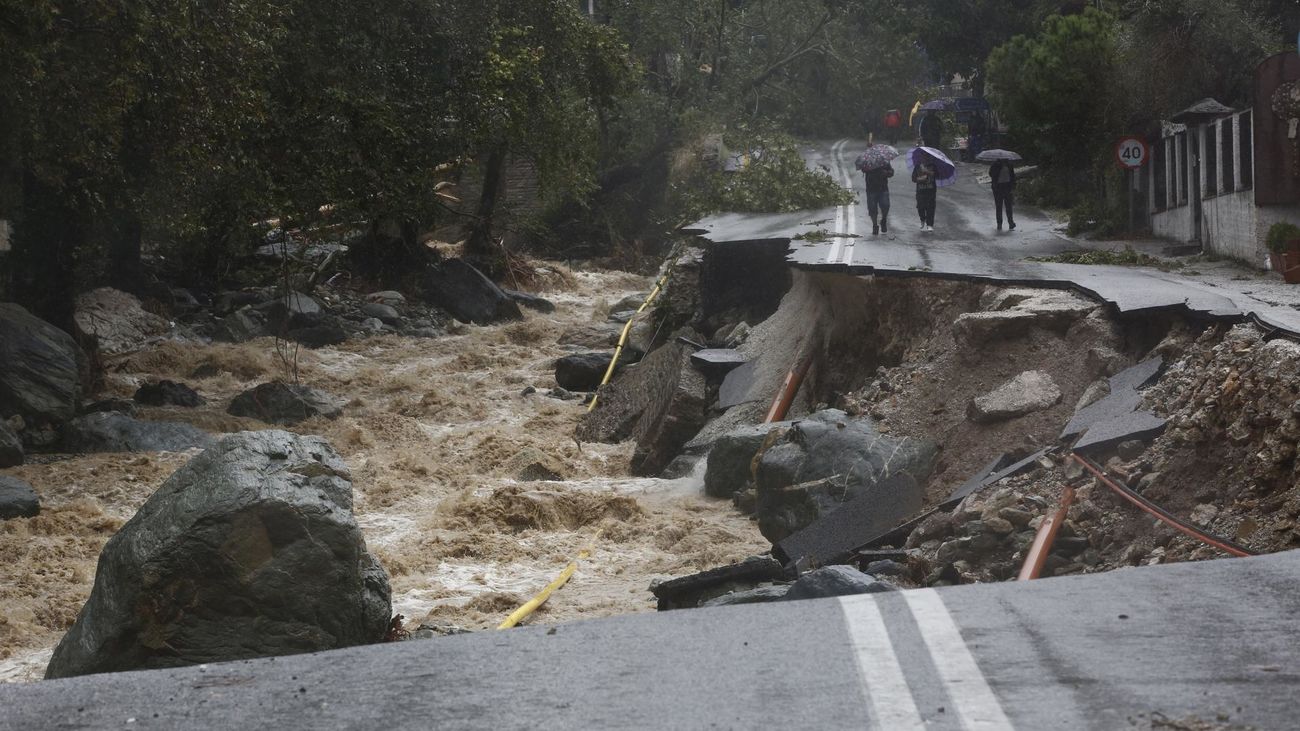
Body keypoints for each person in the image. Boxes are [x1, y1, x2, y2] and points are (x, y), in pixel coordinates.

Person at [863, 160, 894, 235]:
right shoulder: (868, 160)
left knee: (886, 205)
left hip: (883, 188)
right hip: (871, 189)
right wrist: (867, 168)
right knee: (872, 208)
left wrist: (886, 173)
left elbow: (891, 172)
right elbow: (863, 169)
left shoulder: (885, 161)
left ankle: (883, 220)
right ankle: (875, 225)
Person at [989, 159, 1017, 230]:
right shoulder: (995, 164)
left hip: (1007, 187)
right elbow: (990, 174)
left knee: (1009, 206)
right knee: (999, 206)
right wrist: (998, 168)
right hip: (998, 188)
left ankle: (1011, 223)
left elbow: (1012, 176)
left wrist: (1013, 186)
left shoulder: (1009, 164)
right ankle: (999, 224)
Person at [912, 157, 938, 231]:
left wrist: (928, 172)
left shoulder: (933, 166)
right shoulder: (917, 166)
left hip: (931, 191)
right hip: (920, 191)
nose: (925, 158)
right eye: (923, 155)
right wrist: (920, 179)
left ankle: (930, 224)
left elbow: (937, 175)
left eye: (927, 156)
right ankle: (922, 219)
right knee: (920, 207)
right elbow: (913, 178)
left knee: (931, 208)